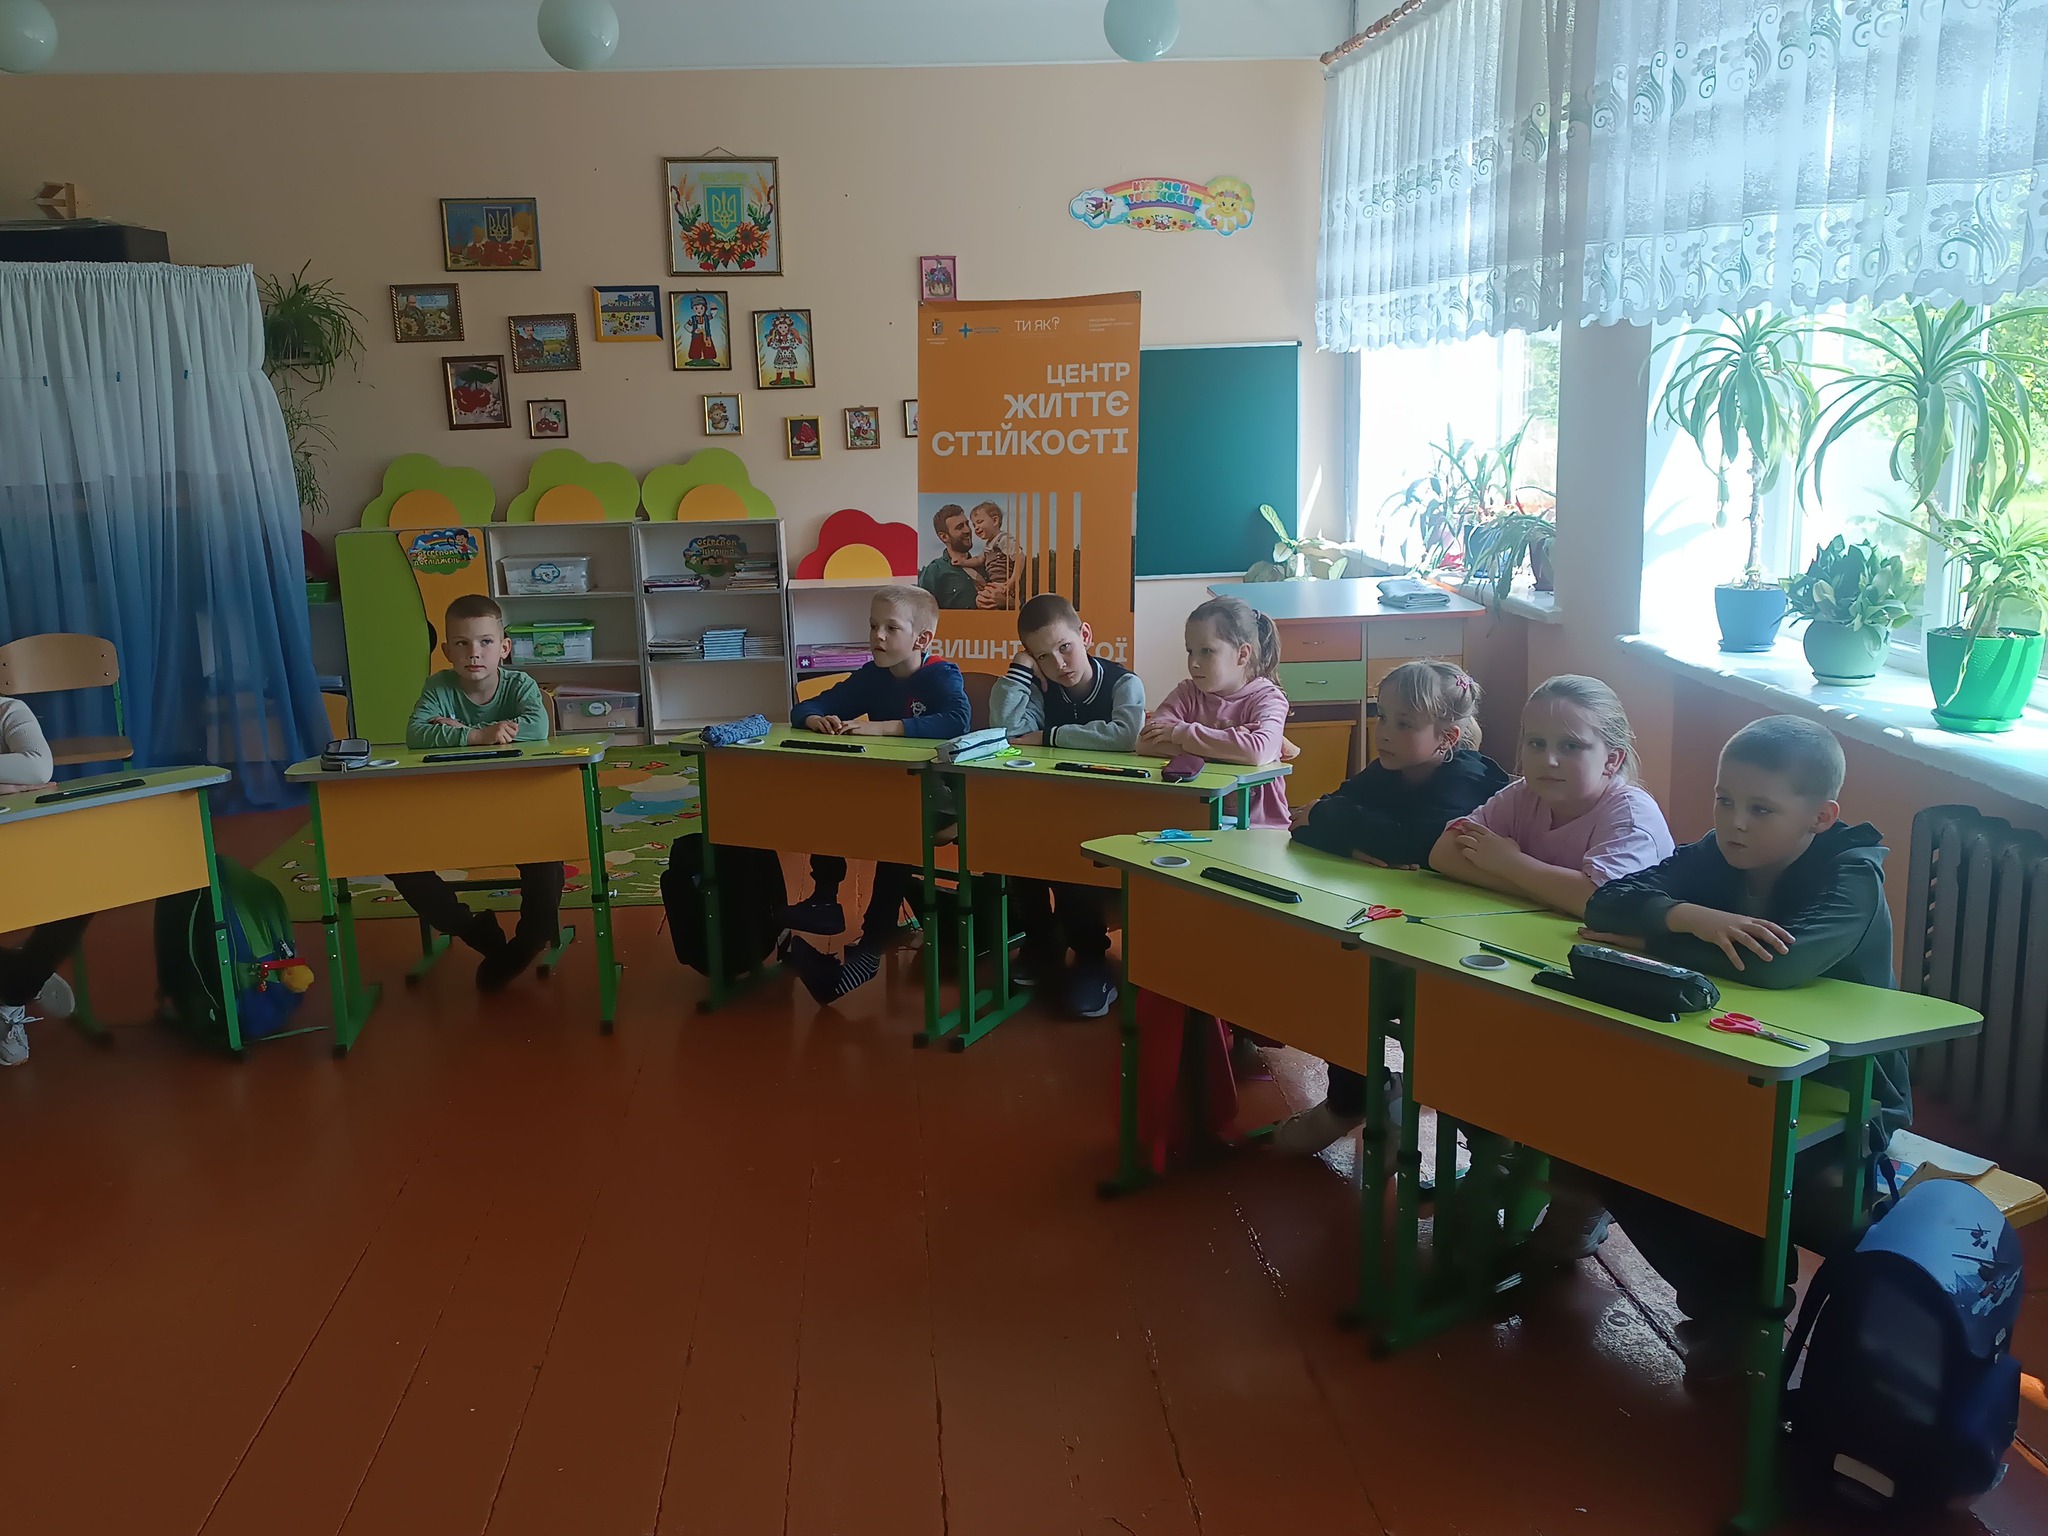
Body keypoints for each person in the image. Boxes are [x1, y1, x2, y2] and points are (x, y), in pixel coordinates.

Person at [1579, 714, 1901, 1382]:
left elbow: (1776, 965)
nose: (1735, 823)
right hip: (1736, 1065)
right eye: (1724, 800)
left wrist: (1656, 938)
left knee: (1709, 1150)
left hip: (1842, 1096)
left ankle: (1744, 1313)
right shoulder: (1716, 855)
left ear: (1820, 817)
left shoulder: (1852, 876)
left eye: (1761, 808)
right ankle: (1729, 1306)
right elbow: (1608, 901)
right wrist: (1689, 915)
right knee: (1600, 1129)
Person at [1428, 673, 1674, 1257]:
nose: (1548, 759)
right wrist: (1546, 885)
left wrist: (1510, 864)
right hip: (1534, 970)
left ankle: (1581, 1202)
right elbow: (1443, 854)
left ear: (1612, 759)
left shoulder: (1629, 815)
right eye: (1535, 743)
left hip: (1618, 1000)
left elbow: (1600, 903)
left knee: (1582, 1086)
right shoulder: (1522, 796)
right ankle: (1495, 1155)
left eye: (1571, 746)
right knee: (1453, 1031)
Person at [1274, 660, 1510, 1153]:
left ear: (1447, 738)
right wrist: (1351, 838)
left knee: (1393, 996)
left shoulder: (1470, 777)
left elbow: (1417, 841)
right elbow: (1306, 823)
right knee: (1334, 970)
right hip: (1400, 924)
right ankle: (1354, 1097)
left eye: (1404, 723)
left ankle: (1489, 1143)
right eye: (1383, 716)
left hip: (1465, 942)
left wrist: (1343, 823)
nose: (1384, 733)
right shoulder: (1388, 769)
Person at [779, 585, 971, 1003]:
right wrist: (816, 720)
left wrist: (883, 727)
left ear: (922, 639)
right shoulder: (872, 675)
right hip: (890, 794)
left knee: (896, 837)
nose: (877, 636)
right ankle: (825, 899)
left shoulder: (941, 674)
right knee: (829, 795)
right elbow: (805, 707)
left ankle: (868, 951)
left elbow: (957, 721)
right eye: (872, 626)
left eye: (890, 628)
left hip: (940, 800)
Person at [390, 594, 561, 991]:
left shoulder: (519, 684)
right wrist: (480, 735)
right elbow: (416, 735)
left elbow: (536, 728)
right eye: (462, 643)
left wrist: (455, 732)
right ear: (447, 650)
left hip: (515, 810)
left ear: (504, 648)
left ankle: (528, 942)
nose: (474, 653)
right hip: (451, 812)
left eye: (485, 642)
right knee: (397, 859)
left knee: (547, 858)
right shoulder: (438, 686)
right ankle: (472, 929)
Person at [989, 592, 1147, 1018]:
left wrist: (1049, 737)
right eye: (1043, 656)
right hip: (1049, 808)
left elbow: (1124, 736)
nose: (1059, 663)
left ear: (1086, 635)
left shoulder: (1123, 684)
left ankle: (1092, 958)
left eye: (1065, 647)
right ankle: (1043, 941)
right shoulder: (1042, 688)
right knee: (1019, 854)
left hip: (1109, 815)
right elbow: (1006, 731)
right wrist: (1020, 671)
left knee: (1075, 864)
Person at [1137, 594, 1292, 830]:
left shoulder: (1268, 698)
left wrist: (1181, 734)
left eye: (1207, 651)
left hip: (1259, 827)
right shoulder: (1188, 692)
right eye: (1190, 651)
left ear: (1242, 654)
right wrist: (1233, 745)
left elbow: (1257, 751)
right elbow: (1146, 742)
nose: (1193, 663)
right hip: (1196, 821)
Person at [0, 693, 82, 1065]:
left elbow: (37, 769)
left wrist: (14, 788)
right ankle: (24, 974)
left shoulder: (9, 711)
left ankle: (16, 984)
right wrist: (10, 785)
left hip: (23, 847)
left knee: (81, 896)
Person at [918, 504, 981, 611]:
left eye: (967, 524)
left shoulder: (985, 565)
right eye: (960, 527)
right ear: (944, 537)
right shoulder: (934, 571)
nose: (967, 530)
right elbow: (922, 612)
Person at [968, 501, 1022, 610]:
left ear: (995, 521)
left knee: (981, 600)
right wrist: (962, 562)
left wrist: (1013, 580)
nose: (976, 528)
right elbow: (979, 560)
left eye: (979, 522)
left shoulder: (1004, 539)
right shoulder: (988, 545)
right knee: (981, 600)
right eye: (974, 525)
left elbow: (1020, 557)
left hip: (1005, 585)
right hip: (996, 584)